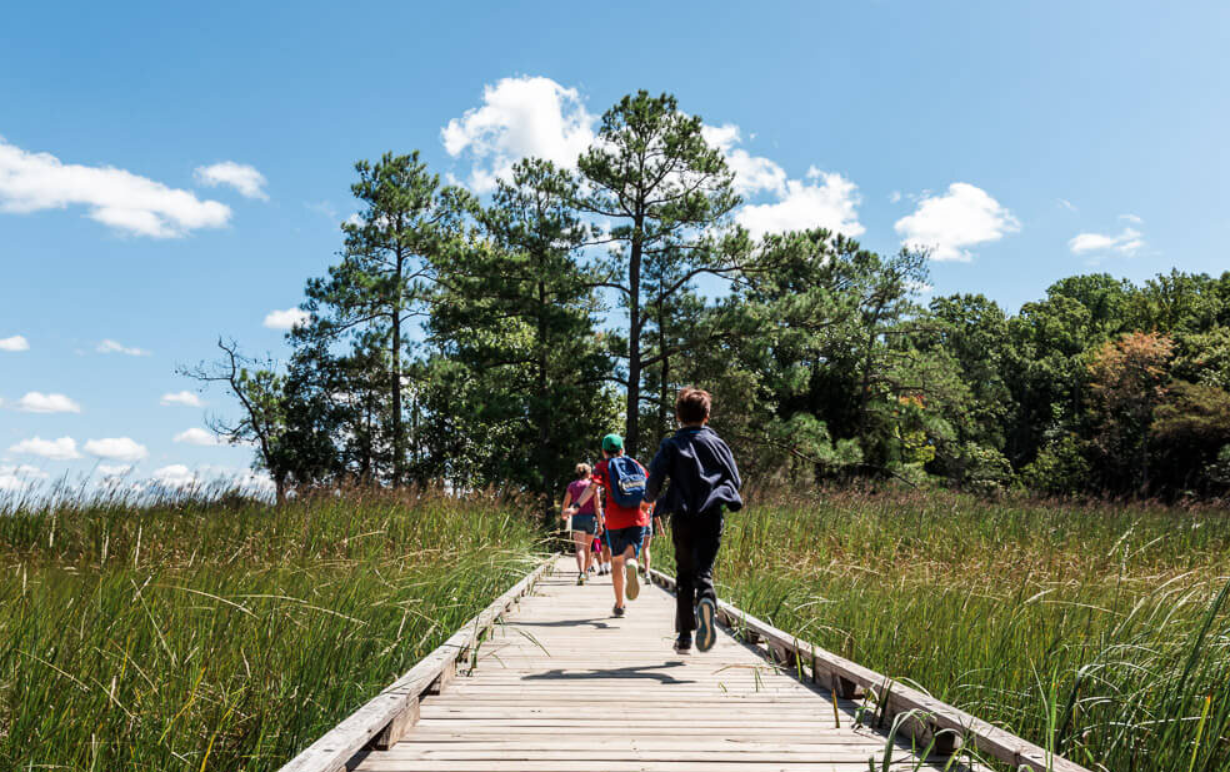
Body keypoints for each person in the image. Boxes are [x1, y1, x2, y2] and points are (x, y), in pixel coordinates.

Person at [646, 387, 741, 654]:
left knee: (684, 576)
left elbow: (655, 478)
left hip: (683, 516)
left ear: (678, 416)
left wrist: (650, 500)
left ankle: (685, 637)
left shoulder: (671, 444)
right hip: (711, 516)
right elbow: (735, 480)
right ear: (707, 416)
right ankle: (707, 604)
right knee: (703, 572)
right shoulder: (719, 444)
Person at [574, 433, 650, 617]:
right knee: (631, 555)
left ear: (604, 451)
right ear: (622, 450)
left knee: (616, 562)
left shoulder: (603, 467)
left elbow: (592, 488)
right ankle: (632, 563)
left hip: (615, 519)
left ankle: (619, 604)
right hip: (638, 517)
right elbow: (649, 485)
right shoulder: (635, 464)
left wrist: (576, 506)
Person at [561, 463, 602, 584]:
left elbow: (566, 503)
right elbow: (597, 505)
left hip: (577, 518)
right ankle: (586, 572)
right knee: (588, 548)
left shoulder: (572, 485)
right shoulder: (593, 486)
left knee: (579, 548)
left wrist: (565, 513)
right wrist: (600, 523)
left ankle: (581, 573)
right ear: (589, 473)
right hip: (591, 519)